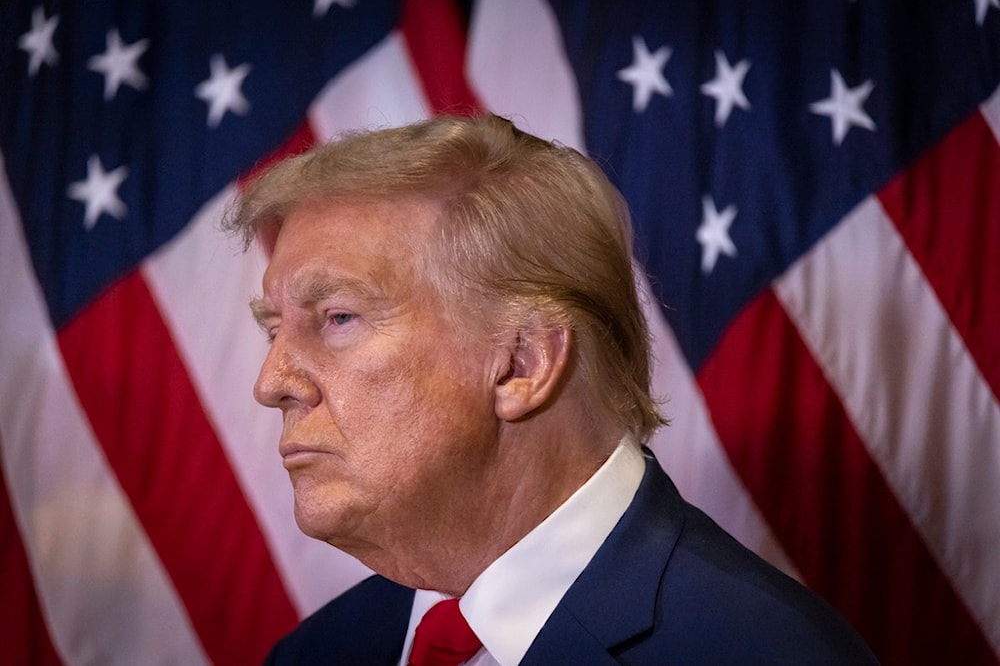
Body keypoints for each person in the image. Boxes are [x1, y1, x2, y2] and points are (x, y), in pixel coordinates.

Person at [225, 114, 878, 665]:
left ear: (524, 363)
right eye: (275, 330)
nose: (271, 382)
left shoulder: (761, 653)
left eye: (337, 318)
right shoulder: (318, 652)